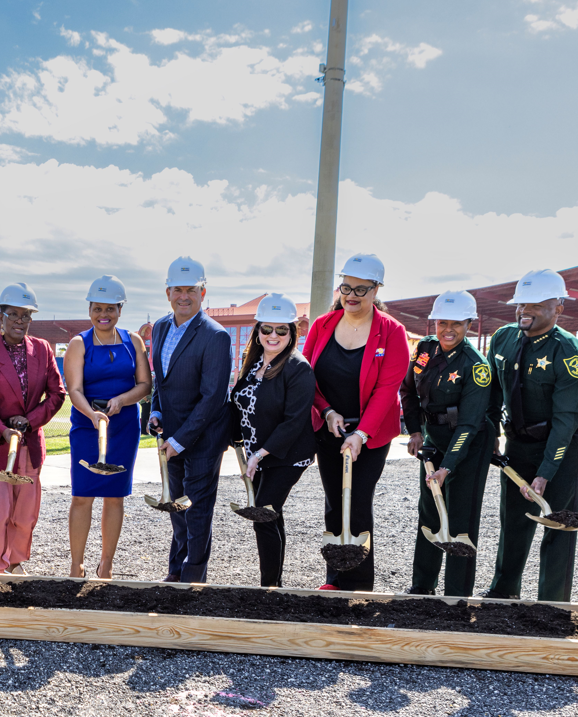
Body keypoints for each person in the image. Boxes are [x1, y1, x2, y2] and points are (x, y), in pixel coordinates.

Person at [483, 269, 578, 601]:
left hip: (561, 444)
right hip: (518, 442)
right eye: (520, 304)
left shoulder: (570, 354)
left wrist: (545, 472)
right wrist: (491, 436)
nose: (524, 311)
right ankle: (504, 592)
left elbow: (566, 421)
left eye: (535, 305)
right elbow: (492, 395)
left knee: (558, 523)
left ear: (559, 307)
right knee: (514, 519)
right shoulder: (503, 338)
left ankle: (553, 603)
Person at [302, 253, 408, 591]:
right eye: (346, 287)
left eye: (361, 289)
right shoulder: (322, 325)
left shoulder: (392, 332)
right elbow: (307, 376)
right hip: (329, 428)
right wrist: (327, 411)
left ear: (376, 289)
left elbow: (387, 388)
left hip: (371, 434)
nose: (352, 295)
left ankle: (359, 585)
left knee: (358, 502)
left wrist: (361, 433)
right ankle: (335, 580)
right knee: (335, 503)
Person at [400, 290, 493, 596]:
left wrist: (448, 466)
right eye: (442, 322)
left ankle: (456, 595)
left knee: (460, 520)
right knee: (428, 511)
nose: (447, 329)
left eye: (457, 323)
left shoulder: (475, 366)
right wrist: (415, 431)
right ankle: (422, 587)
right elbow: (408, 391)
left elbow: (469, 425)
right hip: (433, 440)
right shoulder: (425, 349)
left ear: (469, 324)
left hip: (469, 444)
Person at [148, 256, 232, 584]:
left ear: (203, 291)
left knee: (196, 511)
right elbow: (162, 382)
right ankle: (175, 570)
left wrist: (180, 440)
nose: (184, 296)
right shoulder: (160, 327)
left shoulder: (216, 336)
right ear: (167, 292)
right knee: (176, 509)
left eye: (191, 290)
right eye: (178, 289)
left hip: (202, 440)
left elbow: (213, 398)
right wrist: (156, 412)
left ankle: (192, 581)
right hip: (170, 436)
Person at [0, 283, 67, 574]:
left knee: (25, 514)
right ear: (1, 316)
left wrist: (31, 420)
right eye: (12, 314)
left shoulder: (42, 349)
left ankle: (15, 562)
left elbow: (57, 393)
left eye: (25, 315)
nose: (19, 320)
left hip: (30, 445)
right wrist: (3, 429)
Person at [226, 293, 315, 588]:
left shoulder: (297, 367)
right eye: (266, 329)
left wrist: (259, 453)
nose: (273, 335)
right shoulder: (253, 363)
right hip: (258, 454)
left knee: (263, 512)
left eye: (281, 330)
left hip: (286, 455)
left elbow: (295, 420)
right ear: (258, 331)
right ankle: (274, 584)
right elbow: (238, 402)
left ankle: (269, 590)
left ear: (292, 333)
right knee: (271, 516)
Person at [64, 275, 150, 579]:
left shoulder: (133, 341)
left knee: (115, 495)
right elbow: (74, 390)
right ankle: (77, 565)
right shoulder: (79, 343)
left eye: (111, 309)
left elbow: (144, 385)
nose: (104, 315)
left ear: (120, 309)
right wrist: (91, 414)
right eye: (98, 308)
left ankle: (107, 563)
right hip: (88, 423)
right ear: (89, 309)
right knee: (82, 495)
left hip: (123, 423)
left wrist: (123, 400)